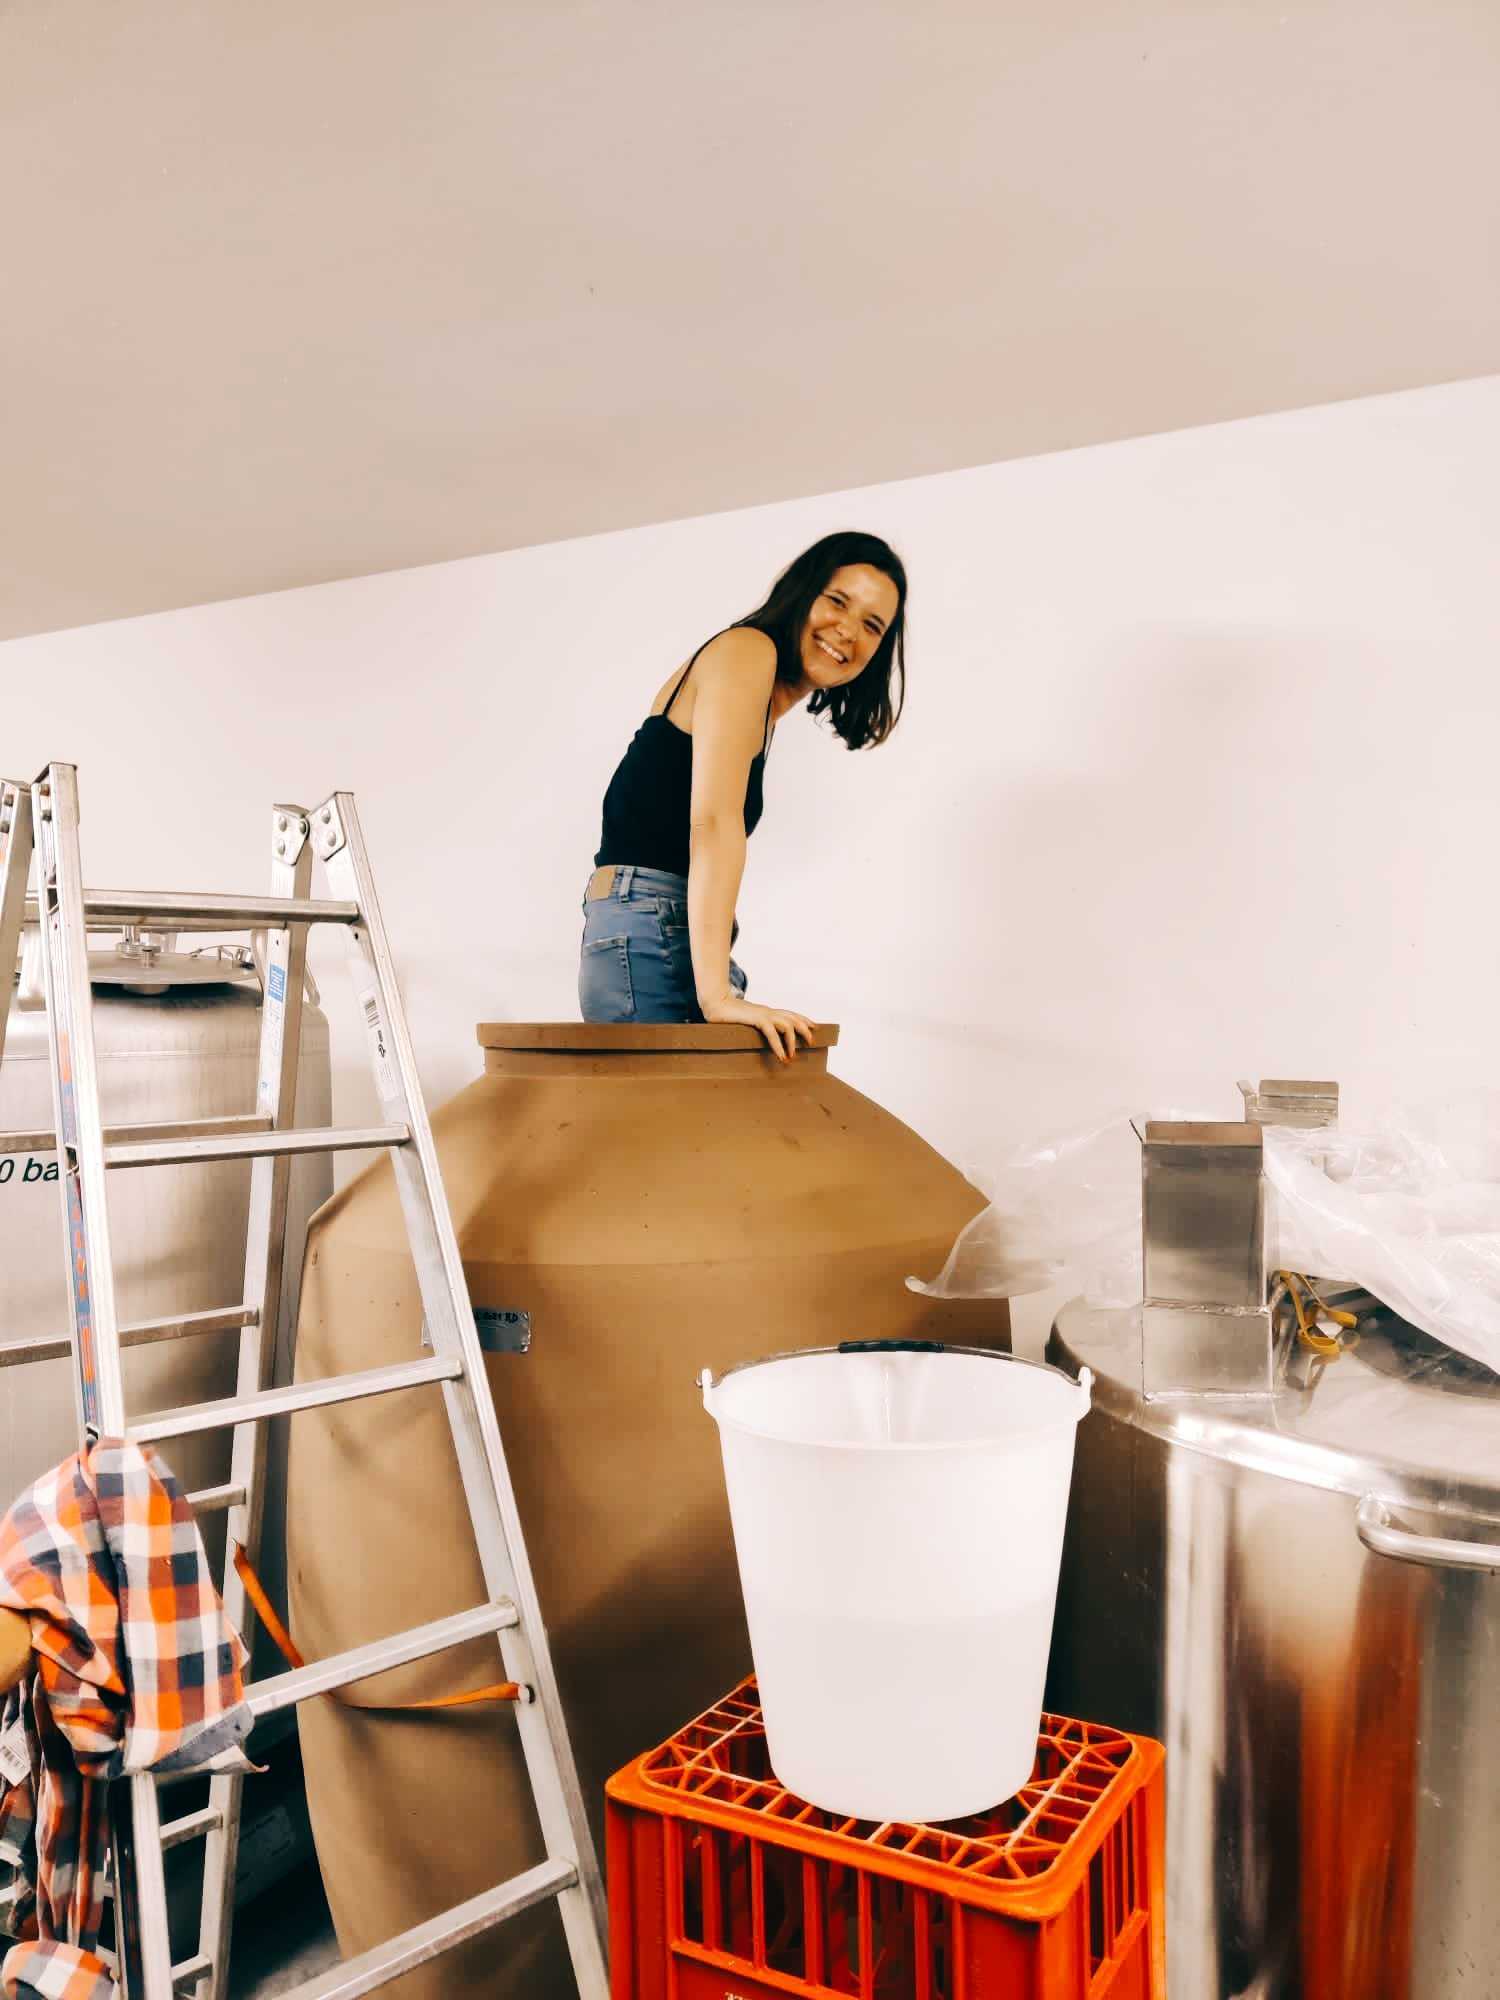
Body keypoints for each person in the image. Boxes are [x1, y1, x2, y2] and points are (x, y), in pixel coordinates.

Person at [579, 530, 907, 1061]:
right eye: (837, 601)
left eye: (872, 625)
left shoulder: (759, 693)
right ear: (801, 593)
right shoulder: (747, 651)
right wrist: (719, 998)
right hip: (650, 924)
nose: (848, 631)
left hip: (658, 924)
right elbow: (711, 824)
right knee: (677, 1137)